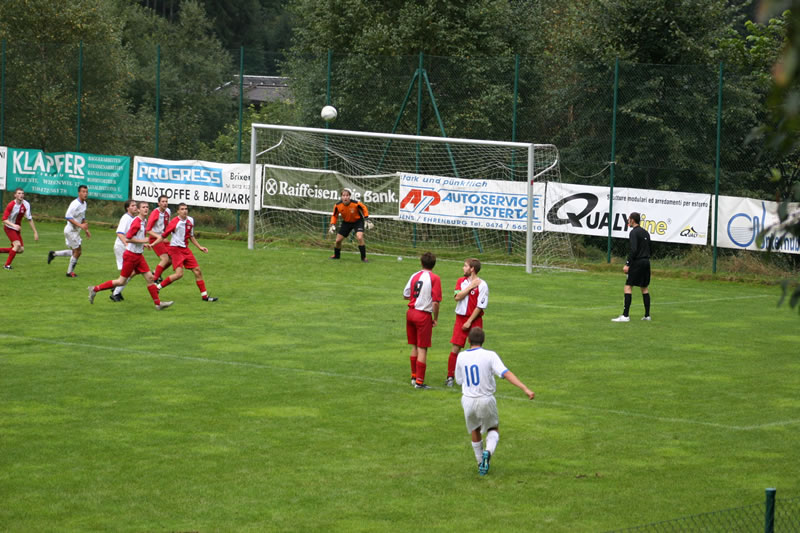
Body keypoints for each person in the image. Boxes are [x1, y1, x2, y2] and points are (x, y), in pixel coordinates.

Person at [455, 327, 534, 476]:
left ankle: (480, 464)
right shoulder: (490, 355)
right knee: (493, 428)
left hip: (467, 400)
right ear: (483, 341)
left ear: (468, 341)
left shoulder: (461, 356)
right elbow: (505, 373)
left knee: (475, 429)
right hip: (486, 399)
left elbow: (459, 380)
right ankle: (488, 452)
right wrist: (525, 388)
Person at [87, 202, 173, 311]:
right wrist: (143, 240)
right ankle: (95, 289)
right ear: (138, 210)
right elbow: (128, 238)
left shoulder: (144, 221)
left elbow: (137, 238)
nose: (146, 209)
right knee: (121, 281)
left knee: (150, 278)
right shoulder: (136, 222)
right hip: (131, 256)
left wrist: (143, 244)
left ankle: (158, 304)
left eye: (147, 207)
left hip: (139, 256)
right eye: (143, 207)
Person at [150, 202, 218, 302]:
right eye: (182, 209)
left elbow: (191, 236)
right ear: (178, 211)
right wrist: (152, 244)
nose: (184, 210)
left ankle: (205, 297)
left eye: (186, 209)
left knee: (198, 271)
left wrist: (199, 247)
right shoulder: (174, 222)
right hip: (175, 249)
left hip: (185, 249)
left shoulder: (190, 220)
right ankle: (157, 288)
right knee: (179, 274)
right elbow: (163, 236)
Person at [445, 258, 489, 387]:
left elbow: (480, 306)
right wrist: (470, 287)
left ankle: (474, 378)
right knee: (455, 347)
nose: (463, 268)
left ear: (472, 269)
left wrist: (469, 321)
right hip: (460, 319)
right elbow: (457, 297)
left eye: (465, 266)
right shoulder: (461, 281)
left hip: (474, 320)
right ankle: (450, 376)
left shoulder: (483, 285)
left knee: (475, 350)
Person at [403, 251, 442, 389]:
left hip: (410, 313)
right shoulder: (435, 278)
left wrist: (416, 298)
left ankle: (414, 376)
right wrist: (435, 318)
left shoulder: (415, 275)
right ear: (434, 264)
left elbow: (405, 294)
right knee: (422, 348)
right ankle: (419, 382)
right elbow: (436, 302)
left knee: (414, 346)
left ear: (421, 262)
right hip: (423, 315)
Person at [612, 212, 652, 322]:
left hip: (638, 262)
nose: (628, 221)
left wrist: (628, 264)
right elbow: (650, 248)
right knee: (644, 287)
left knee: (628, 286)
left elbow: (633, 250)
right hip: (646, 262)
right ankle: (647, 315)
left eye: (629, 219)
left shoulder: (634, 232)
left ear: (633, 220)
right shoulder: (645, 232)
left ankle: (625, 316)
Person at [48, 185, 91, 277]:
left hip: (76, 231)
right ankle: (69, 272)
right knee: (78, 252)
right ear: (79, 193)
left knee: (74, 252)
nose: (85, 194)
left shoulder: (84, 204)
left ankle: (54, 254)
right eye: (83, 192)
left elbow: (82, 217)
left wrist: (86, 229)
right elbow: (67, 216)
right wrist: (81, 226)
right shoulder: (75, 204)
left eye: (86, 192)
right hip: (71, 231)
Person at [329, 188, 373, 262]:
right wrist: (332, 224)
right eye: (344, 195)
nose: (345, 197)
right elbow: (334, 215)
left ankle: (363, 257)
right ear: (341, 197)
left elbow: (364, 208)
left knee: (359, 237)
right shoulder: (337, 205)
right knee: (338, 240)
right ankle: (336, 255)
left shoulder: (356, 203)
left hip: (358, 222)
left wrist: (366, 218)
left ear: (350, 196)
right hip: (346, 223)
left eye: (347, 195)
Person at [1, 188, 39, 270]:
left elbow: (29, 218)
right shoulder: (11, 205)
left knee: (20, 250)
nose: (21, 195)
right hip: (9, 227)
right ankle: (6, 265)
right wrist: (13, 225)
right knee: (17, 245)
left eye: (22, 193)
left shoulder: (26, 204)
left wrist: (35, 232)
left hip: (17, 229)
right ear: (15, 195)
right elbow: (4, 219)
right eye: (19, 193)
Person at [109, 199, 139, 302]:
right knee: (129, 272)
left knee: (133, 271)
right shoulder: (126, 218)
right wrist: (127, 245)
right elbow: (120, 233)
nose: (135, 207)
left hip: (127, 248)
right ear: (128, 208)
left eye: (136, 205)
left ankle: (116, 288)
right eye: (133, 205)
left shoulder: (133, 218)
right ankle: (116, 292)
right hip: (121, 247)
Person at [146, 194, 172, 283]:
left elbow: (168, 225)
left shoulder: (168, 211)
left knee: (171, 259)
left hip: (162, 238)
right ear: (159, 203)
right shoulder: (155, 213)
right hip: (155, 238)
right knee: (165, 259)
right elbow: (148, 230)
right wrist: (160, 237)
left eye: (166, 201)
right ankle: (155, 279)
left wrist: (168, 234)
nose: (165, 203)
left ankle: (156, 273)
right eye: (163, 202)